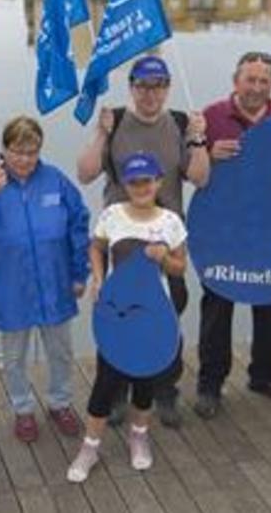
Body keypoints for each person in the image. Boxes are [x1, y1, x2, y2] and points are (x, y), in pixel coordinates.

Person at [74, 55, 208, 427]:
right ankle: (116, 393)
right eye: (143, 85)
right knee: (119, 320)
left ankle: (164, 390)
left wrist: (198, 138)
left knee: (166, 319)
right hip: (121, 245)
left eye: (158, 85)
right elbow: (84, 173)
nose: (150, 93)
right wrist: (101, 133)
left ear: (167, 88)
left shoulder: (180, 123)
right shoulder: (114, 121)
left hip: (166, 241)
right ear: (131, 86)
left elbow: (200, 178)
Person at [0, 116, 90, 443]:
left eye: (31, 152)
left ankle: (60, 403)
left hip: (55, 285)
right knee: (14, 357)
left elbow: (79, 224)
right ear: (4, 149)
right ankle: (23, 410)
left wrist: (79, 271)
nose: (25, 159)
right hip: (11, 288)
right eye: (17, 151)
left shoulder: (56, 181)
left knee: (60, 351)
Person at [194, 51, 271, 419]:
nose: (257, 87)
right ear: (235, 80)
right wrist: (208, 152)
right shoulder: (210, 116)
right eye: (250, 79)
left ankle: (264, 376)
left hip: (270, 229)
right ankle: (210, 383)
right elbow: (191, 173)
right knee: (217, 308)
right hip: (223, 231)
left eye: (264, 80)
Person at [67, 152, 189, 483]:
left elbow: (181, 268)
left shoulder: (170, 222)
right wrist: (99, 277)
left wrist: (164, 257)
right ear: (124, 184)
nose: (140, 187)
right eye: (134, 182)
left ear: (158, 182)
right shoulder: (112, 215)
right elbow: (96, 247)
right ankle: (89, 447)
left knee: (144, 381)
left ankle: (139, 437)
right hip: (116, 313)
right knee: (106, 382)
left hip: (153, 315)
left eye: (147, 181)